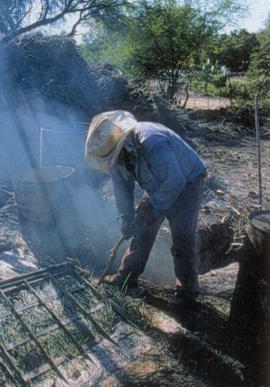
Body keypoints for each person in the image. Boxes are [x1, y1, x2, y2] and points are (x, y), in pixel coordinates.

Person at [85, 110, 207, 302]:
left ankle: (187, 292)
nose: (114, 161)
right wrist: (126, 217)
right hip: (161, 183)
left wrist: (152, 204)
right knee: (141, 226)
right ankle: (126, 277)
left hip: (187, 182)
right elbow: (122, 189)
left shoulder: (151, 142)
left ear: (122, 145)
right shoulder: (116, 158)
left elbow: (175, 182)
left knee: (183, 235)